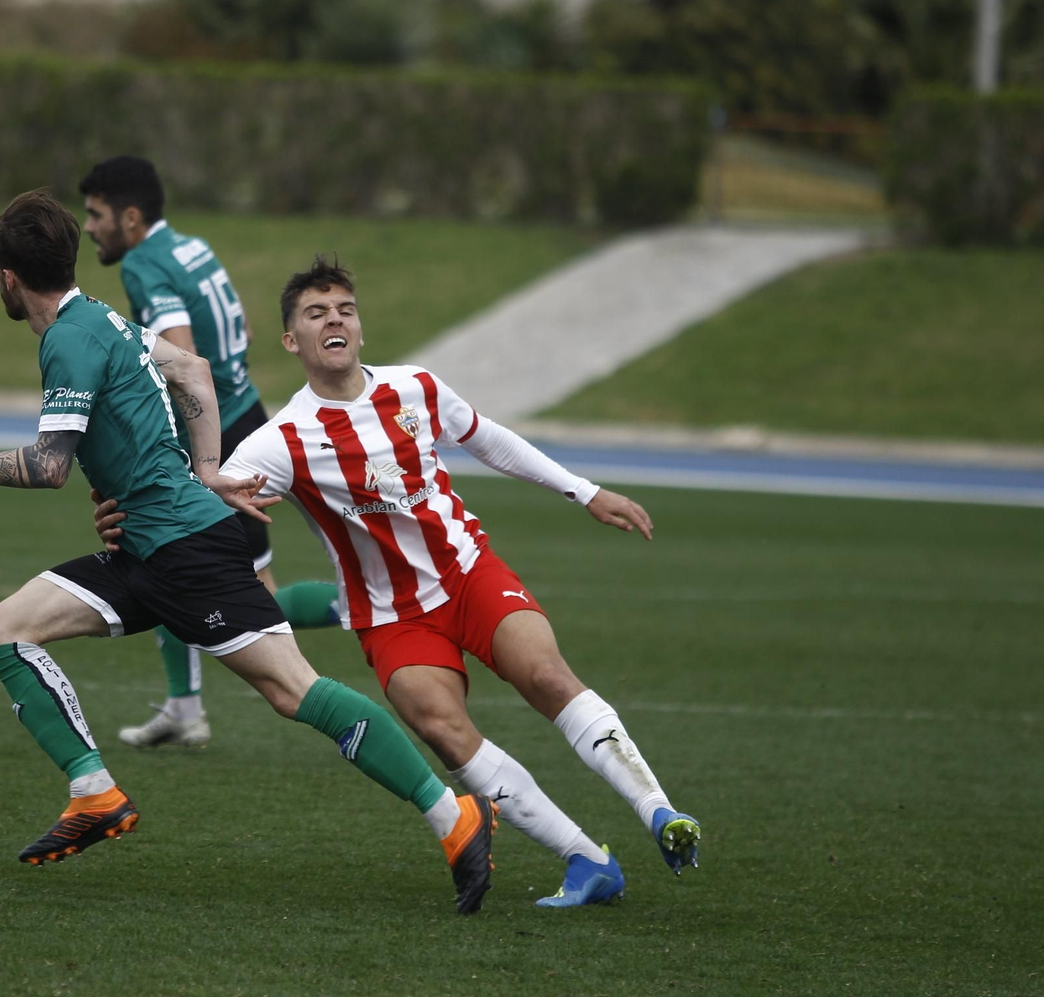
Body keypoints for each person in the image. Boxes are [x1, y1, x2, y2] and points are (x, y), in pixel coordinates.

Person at [0, 192, 499, 915]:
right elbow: (191, 370)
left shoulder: (66, 338)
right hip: (145, 548)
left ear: (7, 276)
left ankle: (454, 814)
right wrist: (205, 469)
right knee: (5, 629)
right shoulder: (101, 314)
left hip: (185, 549)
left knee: (293, 690)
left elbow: (50, 464)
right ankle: (94, 790)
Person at [93, 255, 701, 908]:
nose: (335, 319)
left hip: (468, 572)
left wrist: (585, 491)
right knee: (444, 728)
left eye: (345, 309)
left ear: (359, 328)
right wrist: (128, 514)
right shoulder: (284, 439)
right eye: (316, 312)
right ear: (292, 340)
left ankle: (658, 810)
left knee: (547, 674)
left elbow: (488, 438)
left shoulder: (417, 388)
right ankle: (586, 859)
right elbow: (201, 498)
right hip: (389, 616)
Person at [79, 155, 338, 750]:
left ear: (131, 216)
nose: (89, 227)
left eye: (96, 215)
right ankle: (184, 706)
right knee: (164, 563)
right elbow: (234, 330)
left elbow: (182, 353)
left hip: (213, 434)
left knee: (239, 593)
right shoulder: (192, 247)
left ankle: (386, 603)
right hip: (244, 414)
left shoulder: (145, 264)